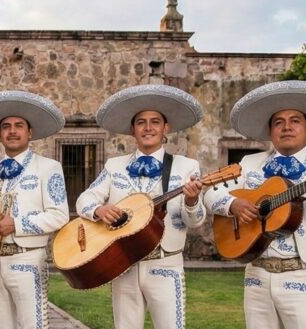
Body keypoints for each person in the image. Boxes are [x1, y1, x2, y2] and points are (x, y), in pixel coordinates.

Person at [204, 80, 306, 328]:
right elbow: (210, 193)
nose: (286, 127)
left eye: (295, 120)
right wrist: (233, 204)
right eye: (279, 122)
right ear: (271, 131)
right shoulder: (249, 162)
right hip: (257, 275)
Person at [75, 84, 207, 329]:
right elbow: (84, 198)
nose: (148, 128)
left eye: (155, 121)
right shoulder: (114, 166)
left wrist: (191, 201)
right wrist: (99, 210)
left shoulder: (186, 166)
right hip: (123, 262)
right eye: (141, 122)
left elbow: (195, 221)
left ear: (165, 128)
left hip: (165, 263)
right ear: (132, 130)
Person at [0, 90, 70, 329]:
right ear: (0, 134)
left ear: (29, 132)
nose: (12, 131)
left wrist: (16, 224)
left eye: (19, 125)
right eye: (6, 126)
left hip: (29, 259)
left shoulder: (48, 167)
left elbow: (59, 216)